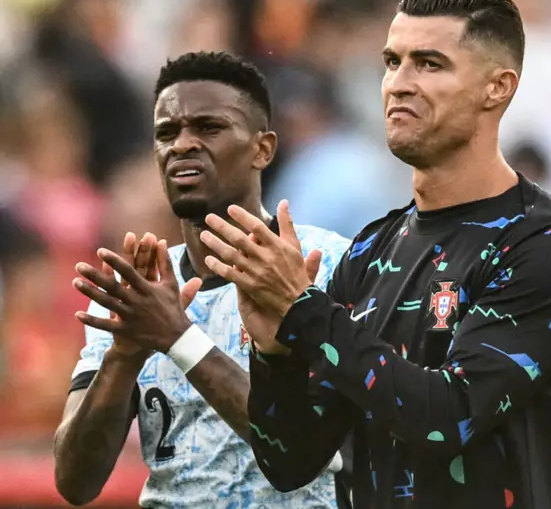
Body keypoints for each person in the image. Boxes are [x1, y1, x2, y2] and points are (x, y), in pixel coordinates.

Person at [201, 0, 551, 507]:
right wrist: (276, 353)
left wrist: (304, 313)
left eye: (429, 64)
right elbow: (291, 462)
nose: (399, 83)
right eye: (392, 62)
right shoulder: (371, 250)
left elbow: (448, 418)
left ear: (498, 87)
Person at [54, 51, 350, 507]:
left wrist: (177, 337)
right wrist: (124, 354)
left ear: (262, 148)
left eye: (208, 128)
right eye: (166, 133)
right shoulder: (137, 288)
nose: (182, 145)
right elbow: (75, 482)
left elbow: (315, 451)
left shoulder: (329, 264)